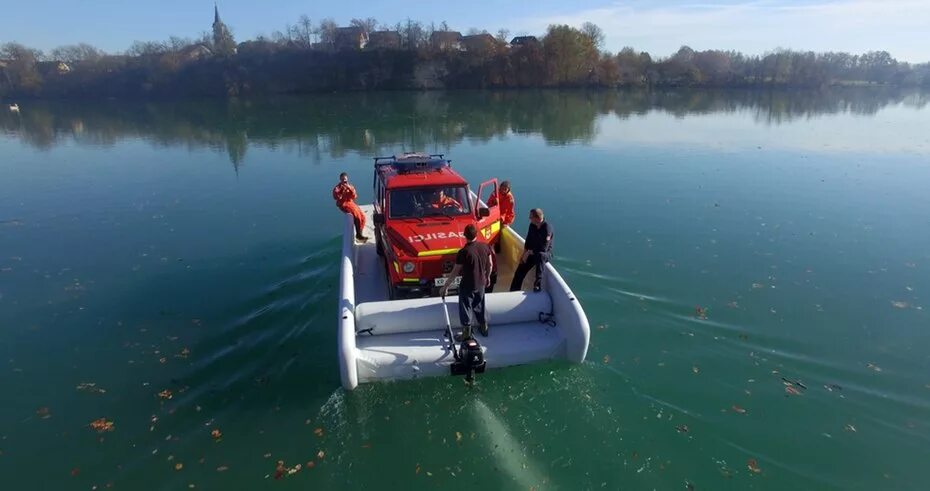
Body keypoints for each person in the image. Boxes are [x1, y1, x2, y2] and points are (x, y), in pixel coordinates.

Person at [440, 224, 495, 339]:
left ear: (465, 236)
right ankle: (484, 328)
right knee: (480, 304)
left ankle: (466, 334)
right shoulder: (485, 247)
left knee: (465, 307)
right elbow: (490, 264)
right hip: (481, 283)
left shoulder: (464, 252)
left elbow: (455, 272)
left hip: (468, 285)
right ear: (476, 234)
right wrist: (488, 276)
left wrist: (445, 287)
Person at [509, 208, 553, 292]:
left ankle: (537, 284)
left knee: (541, 255)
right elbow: (528, 240)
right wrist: (524, 253)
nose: (529, 219)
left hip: (544, 254)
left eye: (531, 217)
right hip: (531, 252)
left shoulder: (547, 229)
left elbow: (544, 248)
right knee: (519, 271)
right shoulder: (532, 225)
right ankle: (513, 291)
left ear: (537, 218)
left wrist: (529, 252)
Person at [332, 172, 369, 242]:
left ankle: (359, 233)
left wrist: (350, 189)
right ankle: (358, 235)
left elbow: (354, 196)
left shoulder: (350, 186)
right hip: (343, 204)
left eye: (345, 179)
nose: (344, 181)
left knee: (362, 217)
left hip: (350, 202)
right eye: (343, 179)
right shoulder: (337, 188)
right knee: (356, 215)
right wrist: (341, 191)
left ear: (347, 179)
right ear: (340, 180)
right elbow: (335, 196)